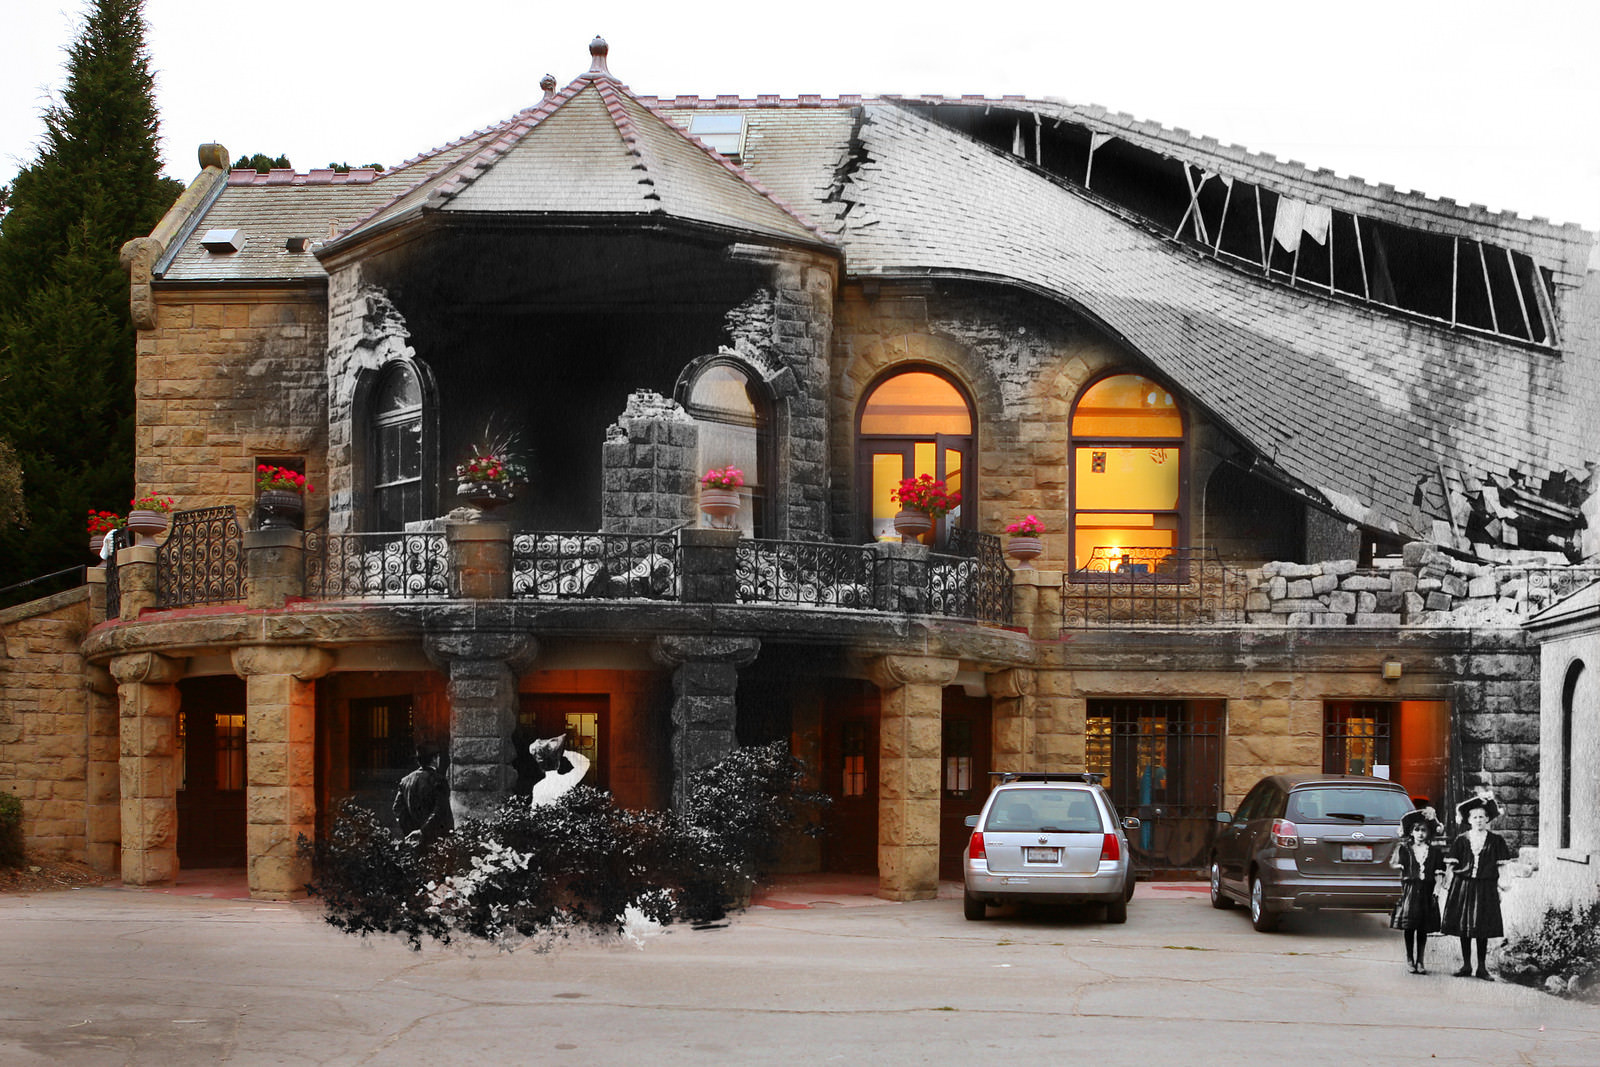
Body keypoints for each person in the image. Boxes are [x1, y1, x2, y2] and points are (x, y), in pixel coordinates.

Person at [1440, 789, 1512, 980]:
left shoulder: (1496, 840)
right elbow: (1452, 865)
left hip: (1485, 888)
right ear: (1469, 819)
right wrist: (1447, 884)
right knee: (1464, 925)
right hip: (1464, 886)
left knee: (1482, 926)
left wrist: (1503, 886)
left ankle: (1482, 967)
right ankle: (1466, 965)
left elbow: (1502, 867)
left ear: (1487, 819)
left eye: (1482, 817)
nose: (1479, 820)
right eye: (1475, 817)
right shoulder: (1461, 840)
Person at [1390, 809, 1445, 973]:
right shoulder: (1404, 849)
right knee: (1410, 925)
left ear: (1428, 833)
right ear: (1411, 832)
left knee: (1422, 926)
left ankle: (1420, 960)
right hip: (1410, 890)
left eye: (1424, 830)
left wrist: (1437, 889)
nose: (1420, 834)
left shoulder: (1434, 852)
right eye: (1417, 830)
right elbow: (1397, 872)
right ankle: (1409, 959)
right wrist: (1398, 891)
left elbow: (1439, 874)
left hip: (1426, 891)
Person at [393, 748, 450, 846]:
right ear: (434, 759)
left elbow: (397, 809)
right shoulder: (439, 780)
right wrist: (422, 831)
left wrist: (410, 831)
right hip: (436, 840)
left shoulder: (405, 781)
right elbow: (440, 810)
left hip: (413, 840)